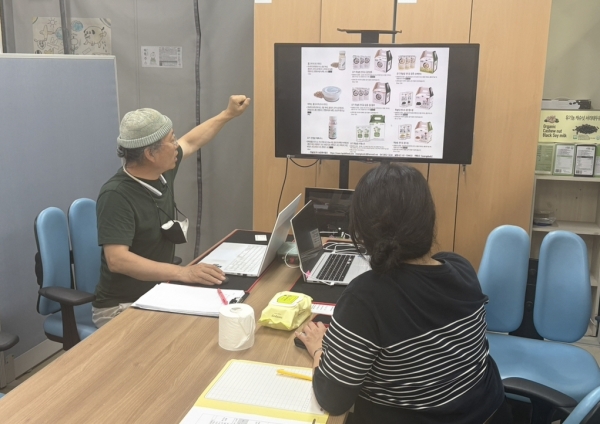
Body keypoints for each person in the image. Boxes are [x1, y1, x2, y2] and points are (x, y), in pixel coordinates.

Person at [296, 164, 511, 424]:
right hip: (490, 412)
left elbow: (333, 399)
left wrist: (319, 349)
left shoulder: (365, 299)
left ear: (362, 230)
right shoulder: (460, 267)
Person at [92, 95, 251, 327]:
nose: (177, 145)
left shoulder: (161, 172)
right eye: (171, 140)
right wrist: (182, 273)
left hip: (159, 292)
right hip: (119, 307)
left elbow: (192, 141)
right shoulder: (116, 195)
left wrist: (228, 114)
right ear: (150, 154)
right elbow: (117, 260)